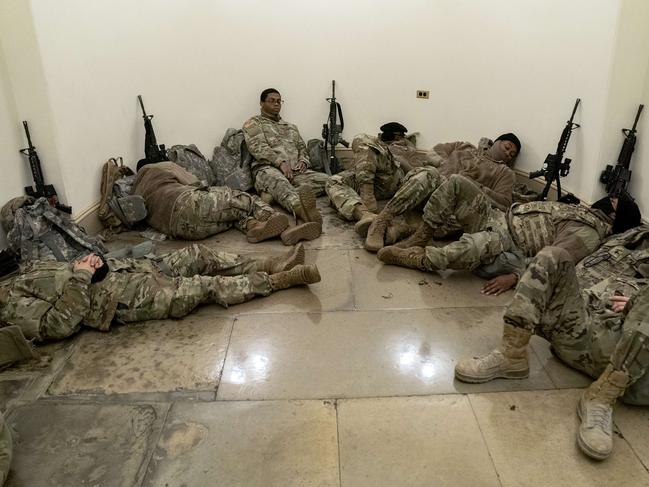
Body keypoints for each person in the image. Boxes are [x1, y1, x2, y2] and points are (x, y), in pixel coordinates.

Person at [454, 224, 649, 460]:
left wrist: (637, 302)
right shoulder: (625, 237)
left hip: (632, 364)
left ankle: (601, 398)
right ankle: (512, 355)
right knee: (551, 255)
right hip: (581, 326)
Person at [0, 243, 318, 342]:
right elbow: (58, 325)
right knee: (201, 288)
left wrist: (89, 263)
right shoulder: (12, 307)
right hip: (122, 300)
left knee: (199, 254)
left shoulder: (22, 273)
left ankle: (272, 263)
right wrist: (82, 276)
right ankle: (277, 281)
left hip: (131, 268)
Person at [377, 173, 641, 276]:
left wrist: (514, 278)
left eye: (615, 201)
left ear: (614, 217)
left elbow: (552, 261)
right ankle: (420, 237)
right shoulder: (581, 213)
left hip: (509, 245)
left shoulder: (589, 233)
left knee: (470, 247)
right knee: (457, 182)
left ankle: (420, 259)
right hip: (497, 218)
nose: (611, 198)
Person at [364, 133, 521, 251]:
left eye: (512, 154)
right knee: (430, 173)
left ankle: (402, 232)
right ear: (496, 142)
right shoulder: (465, 147)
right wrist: (446, 166)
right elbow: (434, 152)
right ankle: (381, 221)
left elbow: (504, 203)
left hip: (452, 206)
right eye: (507, 147)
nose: (508, 153)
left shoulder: (505, 173)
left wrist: (473, 186)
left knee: (460, 216)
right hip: (430, 186)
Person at [133, 161, 317, 245]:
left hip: (183, 231)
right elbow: (194, 183)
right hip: (188, 203)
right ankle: (284, 225)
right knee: (247, 200)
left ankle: (255, 227)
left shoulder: (137, 190)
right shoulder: (162, 166)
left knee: (233, 214)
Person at [242, 88, 328, 239]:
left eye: (279, 101)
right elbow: (258, 147)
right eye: (272, 101)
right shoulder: (253, 123)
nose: (276, 104)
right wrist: (280, 162)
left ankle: (360, 212)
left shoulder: (291, 127)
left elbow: (302, 148)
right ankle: (305, 215)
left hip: (296, 172)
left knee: (331, 181)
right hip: (267, 170)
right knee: (280, 183)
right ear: (261, 103)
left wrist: (303, 161)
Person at [325, 122, 439, 227]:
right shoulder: (373, 147)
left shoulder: (407, 146)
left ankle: (365, 198)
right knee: (333, 181)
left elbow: (414, 171)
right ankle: (363, 214)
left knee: (361, 137)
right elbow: (354, 167)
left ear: (399, 136)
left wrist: (397, 156)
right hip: (371, 180)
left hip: (392, 179)